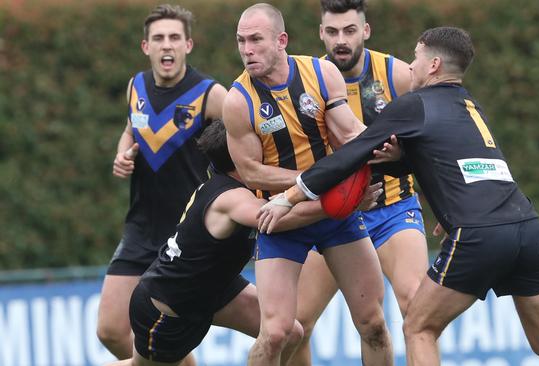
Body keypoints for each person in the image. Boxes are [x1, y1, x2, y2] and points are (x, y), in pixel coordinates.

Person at [259, 27, 539, 366]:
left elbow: (353, 153)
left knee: (418, 327)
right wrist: (407, 165)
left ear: (434, 65)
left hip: (479, 235)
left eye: (416, 57)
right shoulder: (470, 105)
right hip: (528, 229)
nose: (410, 66)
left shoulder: (414, 104)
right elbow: (458, 163)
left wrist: (291, 195)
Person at [222, 3, 393, 366]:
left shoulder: (321, 72)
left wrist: (394, 150)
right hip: (283, 221)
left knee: (374, 323)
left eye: (256, 40)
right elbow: (252, 173)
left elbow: (349, 134)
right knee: (277, 332)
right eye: (241, 41)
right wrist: (318, 183)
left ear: (281, 40)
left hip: (338, 218)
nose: (247, 50)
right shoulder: (237, 101)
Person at [106, 120, 329, 366]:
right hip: (169, 308)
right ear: (239, 152)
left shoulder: (239, 185)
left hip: (216, 290)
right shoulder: (232, 198)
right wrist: (336, 205)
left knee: (288, 333)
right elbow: (277, 217)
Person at [288, 1, 428, 365]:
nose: (341, 41)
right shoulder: (307, 80)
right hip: (336, 218)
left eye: (350, 31)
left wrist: (445, 202)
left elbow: (433, 143)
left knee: (415, 307)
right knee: (295, 325)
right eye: (332, 32)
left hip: (394, 210)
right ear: (321, 33)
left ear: (365, 31)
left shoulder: (396, 74)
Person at [97, 4, 228, 362]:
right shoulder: (135, 86)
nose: (166, 45)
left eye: (174, 37)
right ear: (146, 47)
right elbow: (130, 131)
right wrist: (123, 153)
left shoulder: (209, 94)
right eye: (158, 38)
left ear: (188, 44)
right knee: (109, 329)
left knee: (279, 326)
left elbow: (244, 140)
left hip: (185, 234)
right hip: (140, 228)